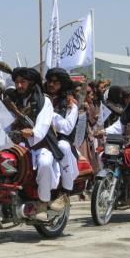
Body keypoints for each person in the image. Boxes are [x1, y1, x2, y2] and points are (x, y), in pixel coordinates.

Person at [6, 68, 63, 221]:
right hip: (17, 144)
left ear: (31, 83)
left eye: (22, 82)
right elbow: (6, 121)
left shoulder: (44, 100)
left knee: (44, 163)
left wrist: (33, 132)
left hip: (41, 145)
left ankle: (43, 203)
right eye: (16, 82)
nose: (18, 86)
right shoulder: (12, 101)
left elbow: (43, 125)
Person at [45, 68, 79, 202]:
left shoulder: (71, 105)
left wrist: (48, 114)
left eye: (55, 82)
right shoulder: (40, 99)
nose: (51, 85)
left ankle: (65, 192)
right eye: (49, 81)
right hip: (40, 140)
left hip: (61, 142)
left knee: (62, 146)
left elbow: (66, 128)